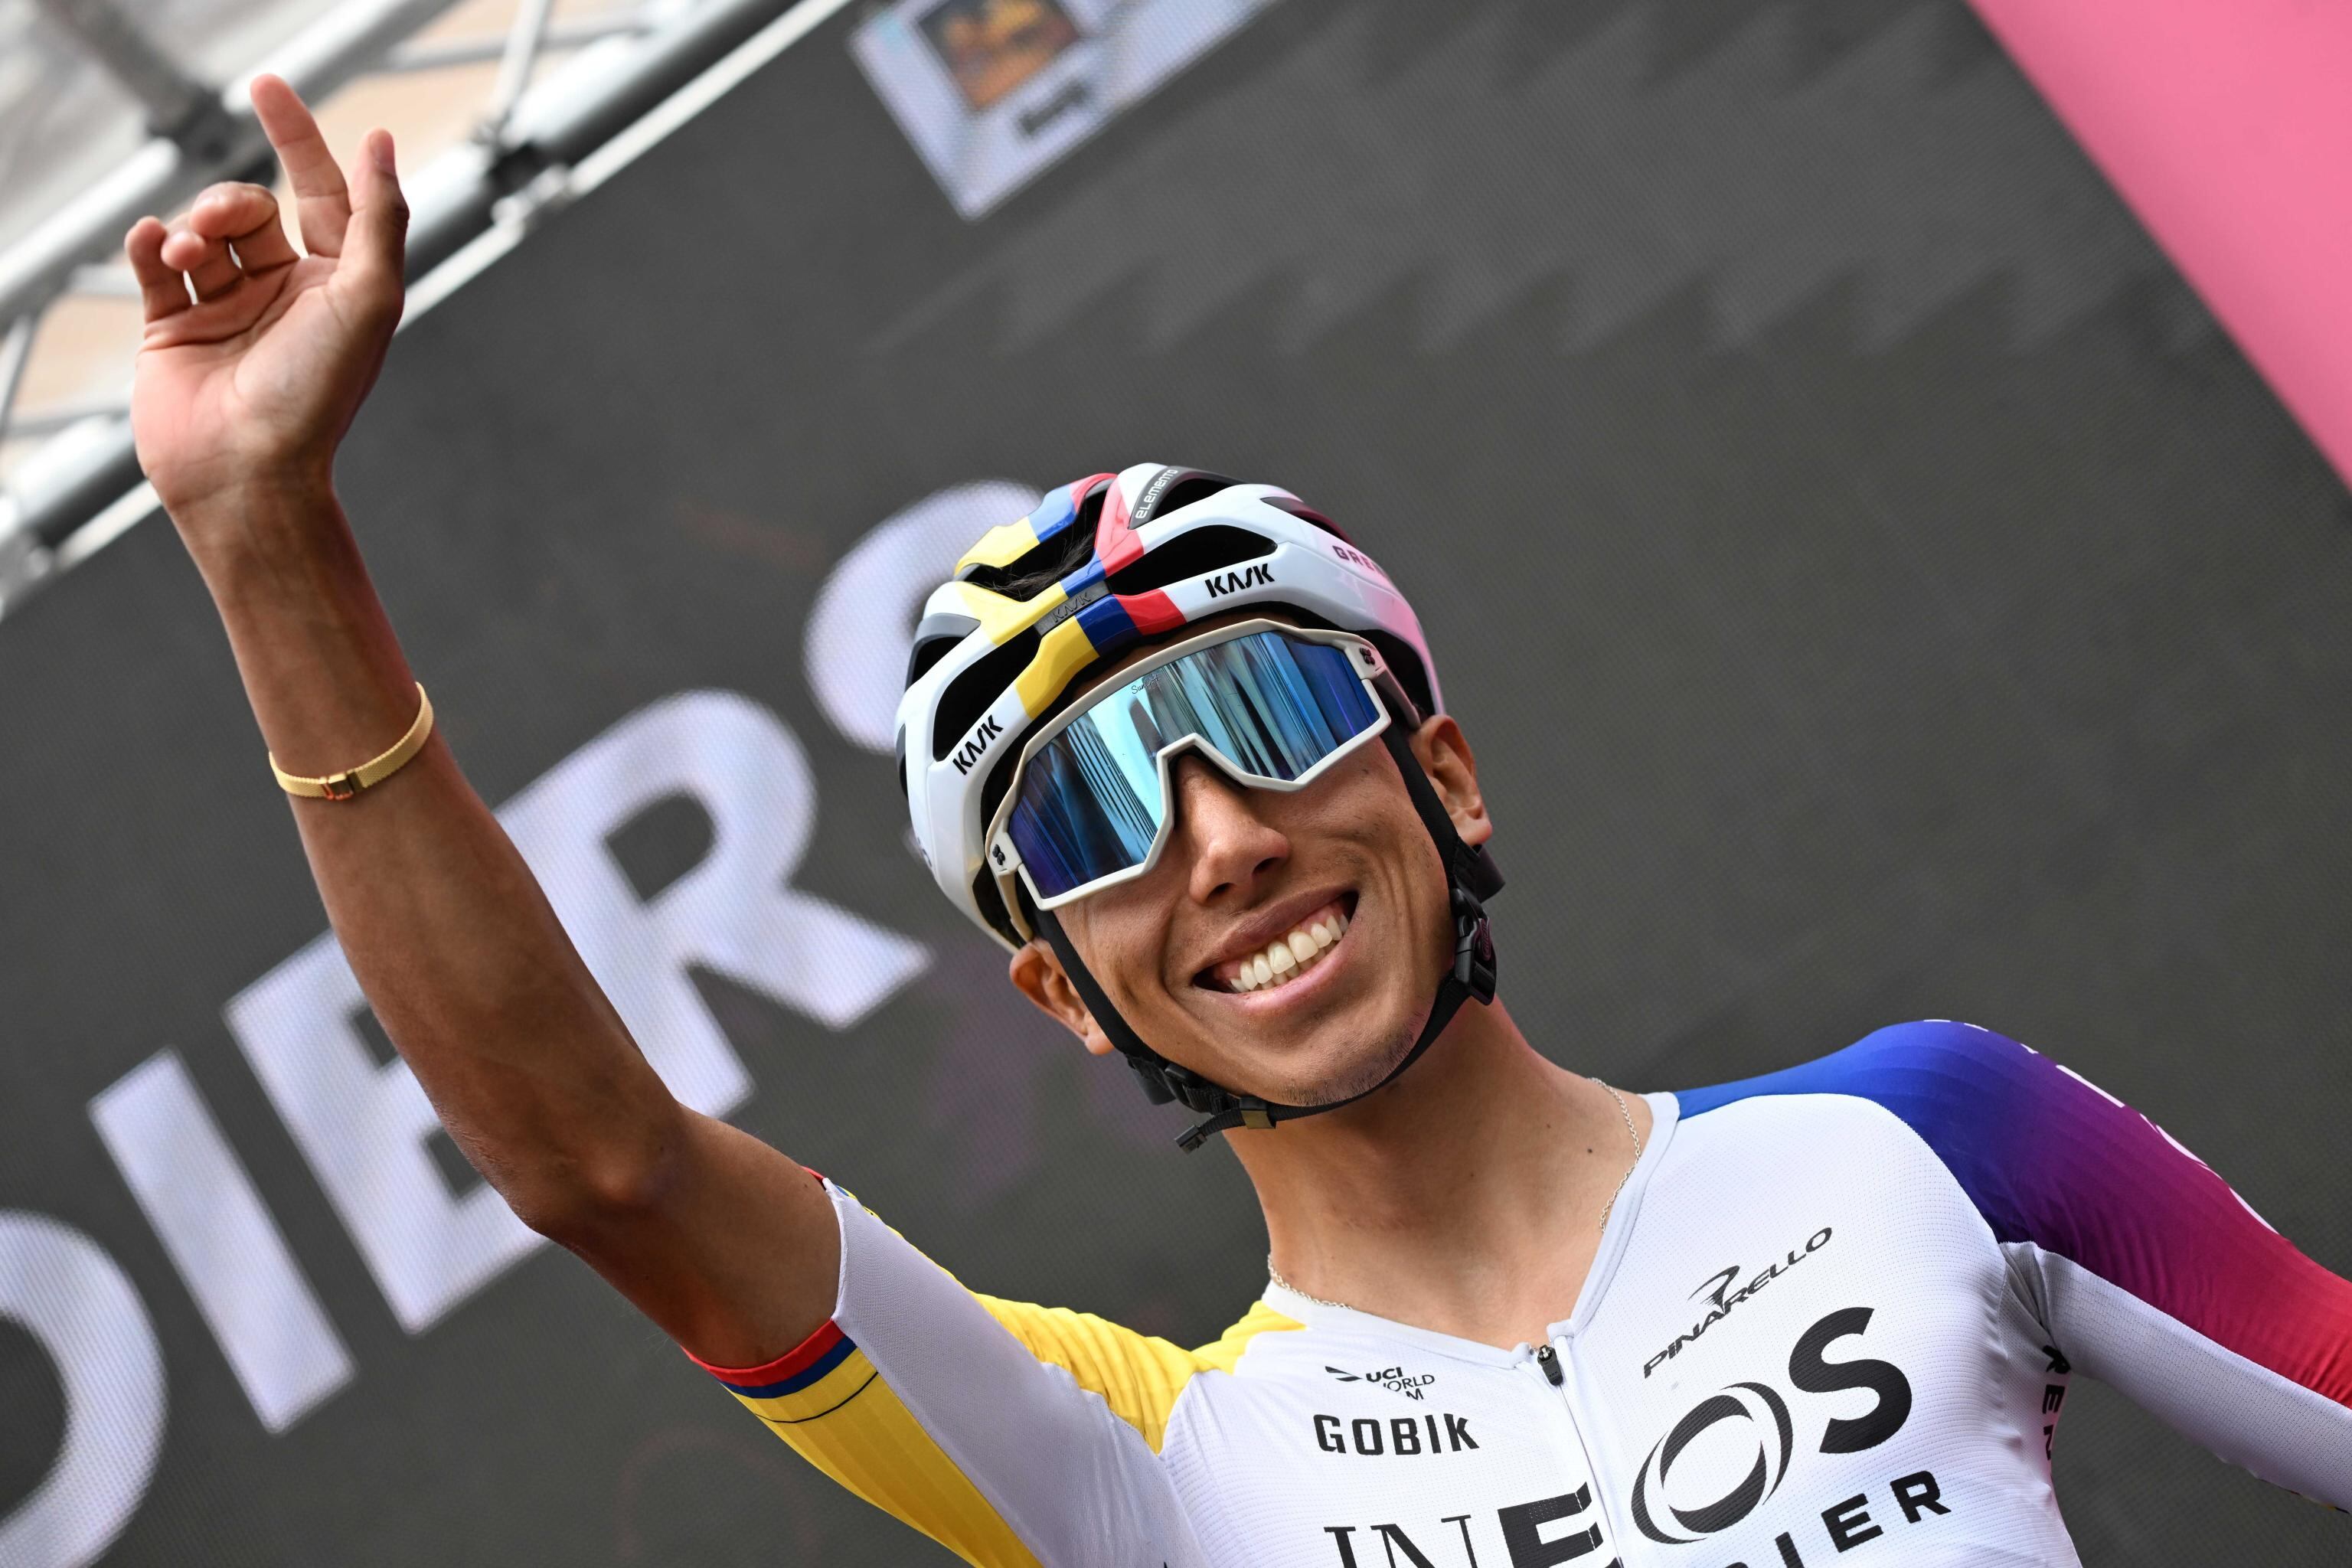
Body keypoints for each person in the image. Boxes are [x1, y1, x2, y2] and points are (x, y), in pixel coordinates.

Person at [125, 79, 2350, 1568]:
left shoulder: (1925, 1141)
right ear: (1063, 997)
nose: (1217, 835)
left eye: (1268, 712)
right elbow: (603, 1167)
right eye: (1084, 816)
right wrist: (265, 539)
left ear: (1441, 770)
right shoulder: (1152, 1473)